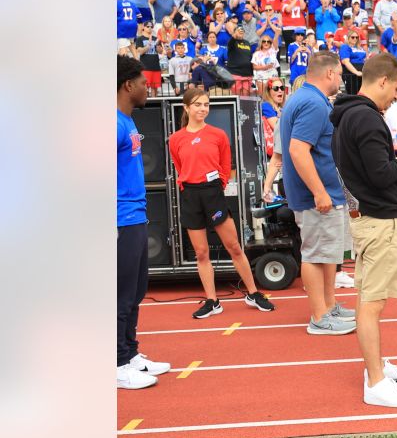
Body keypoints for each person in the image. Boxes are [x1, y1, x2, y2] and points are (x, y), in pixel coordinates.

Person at [331, 53, 397, 408]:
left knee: (365, 299)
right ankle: (374, 381)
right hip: (378, 219)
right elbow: (379, 173)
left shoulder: (348, 114)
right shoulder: (367, 118)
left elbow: (370, 169)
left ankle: (376, 368)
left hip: (365, 216)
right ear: (382, 81)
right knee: (372, 303)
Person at [168, 88, 277, 318]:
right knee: (201, 252)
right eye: (197, 104)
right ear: (186, 108)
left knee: (234, 247)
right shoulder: (176, 139)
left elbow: (226, 165)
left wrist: (219, 184)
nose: (203, 109)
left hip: (213, 193)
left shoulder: (218, 135)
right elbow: (179, 166)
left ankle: (253, 293)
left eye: (206, 104)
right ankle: (212, 300)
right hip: (190, 194)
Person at [279, 51, 358, 335]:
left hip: (320, 193)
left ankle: (328, 306)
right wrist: (319, 191)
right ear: (329, 73)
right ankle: (320, 316)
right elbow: (298, 151)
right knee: (315, 254)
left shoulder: (307, 99)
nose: (339, 79)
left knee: (326, 254)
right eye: (338, 73)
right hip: (317, 196)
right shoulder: (312, 102)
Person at [117, 56, 171, 389]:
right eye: (143, 82)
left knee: (136, 291)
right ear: (127, 85)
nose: (147, 87)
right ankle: (116, 360)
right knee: (120, 293)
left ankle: (130, 353)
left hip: (134, 216)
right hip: (120, 220)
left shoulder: (127, 120)